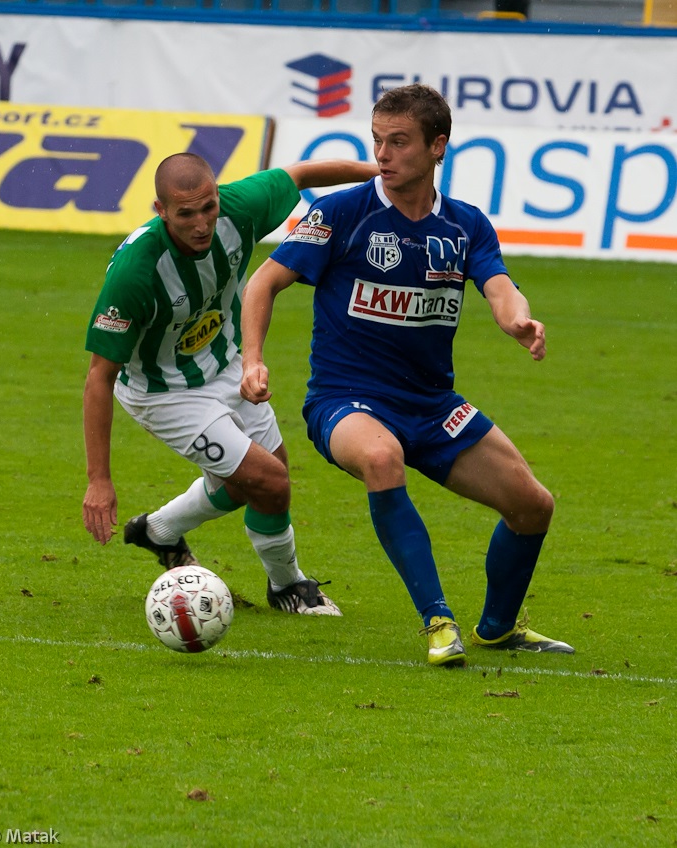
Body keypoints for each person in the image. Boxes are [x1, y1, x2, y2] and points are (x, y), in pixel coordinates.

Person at [240, 84, 574, 664]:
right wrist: (252, 359)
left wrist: (519, 321)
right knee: (381, 458)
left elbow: (499, 287)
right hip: (346, 401)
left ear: (437, 146)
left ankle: (497, 628)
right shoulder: (341, 213)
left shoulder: (465, 225)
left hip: (432, 406)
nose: (383, 155)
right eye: (377, 141)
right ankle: (437, 619)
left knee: (533, 506)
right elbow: (262, 283)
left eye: (398, 142)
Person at [83, 151, 376, 616]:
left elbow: (302, 173)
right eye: (185, 214)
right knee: (271, 481)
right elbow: (99, 378)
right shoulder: (135, 273)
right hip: (164, 393)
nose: (201, 223)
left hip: (224, 364)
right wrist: (99, 480)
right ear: (160, 211)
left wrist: (386, 177)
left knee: (257, 481)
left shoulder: (239, 208)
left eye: (208, 208)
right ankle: (288, 587)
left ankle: (157, 531)